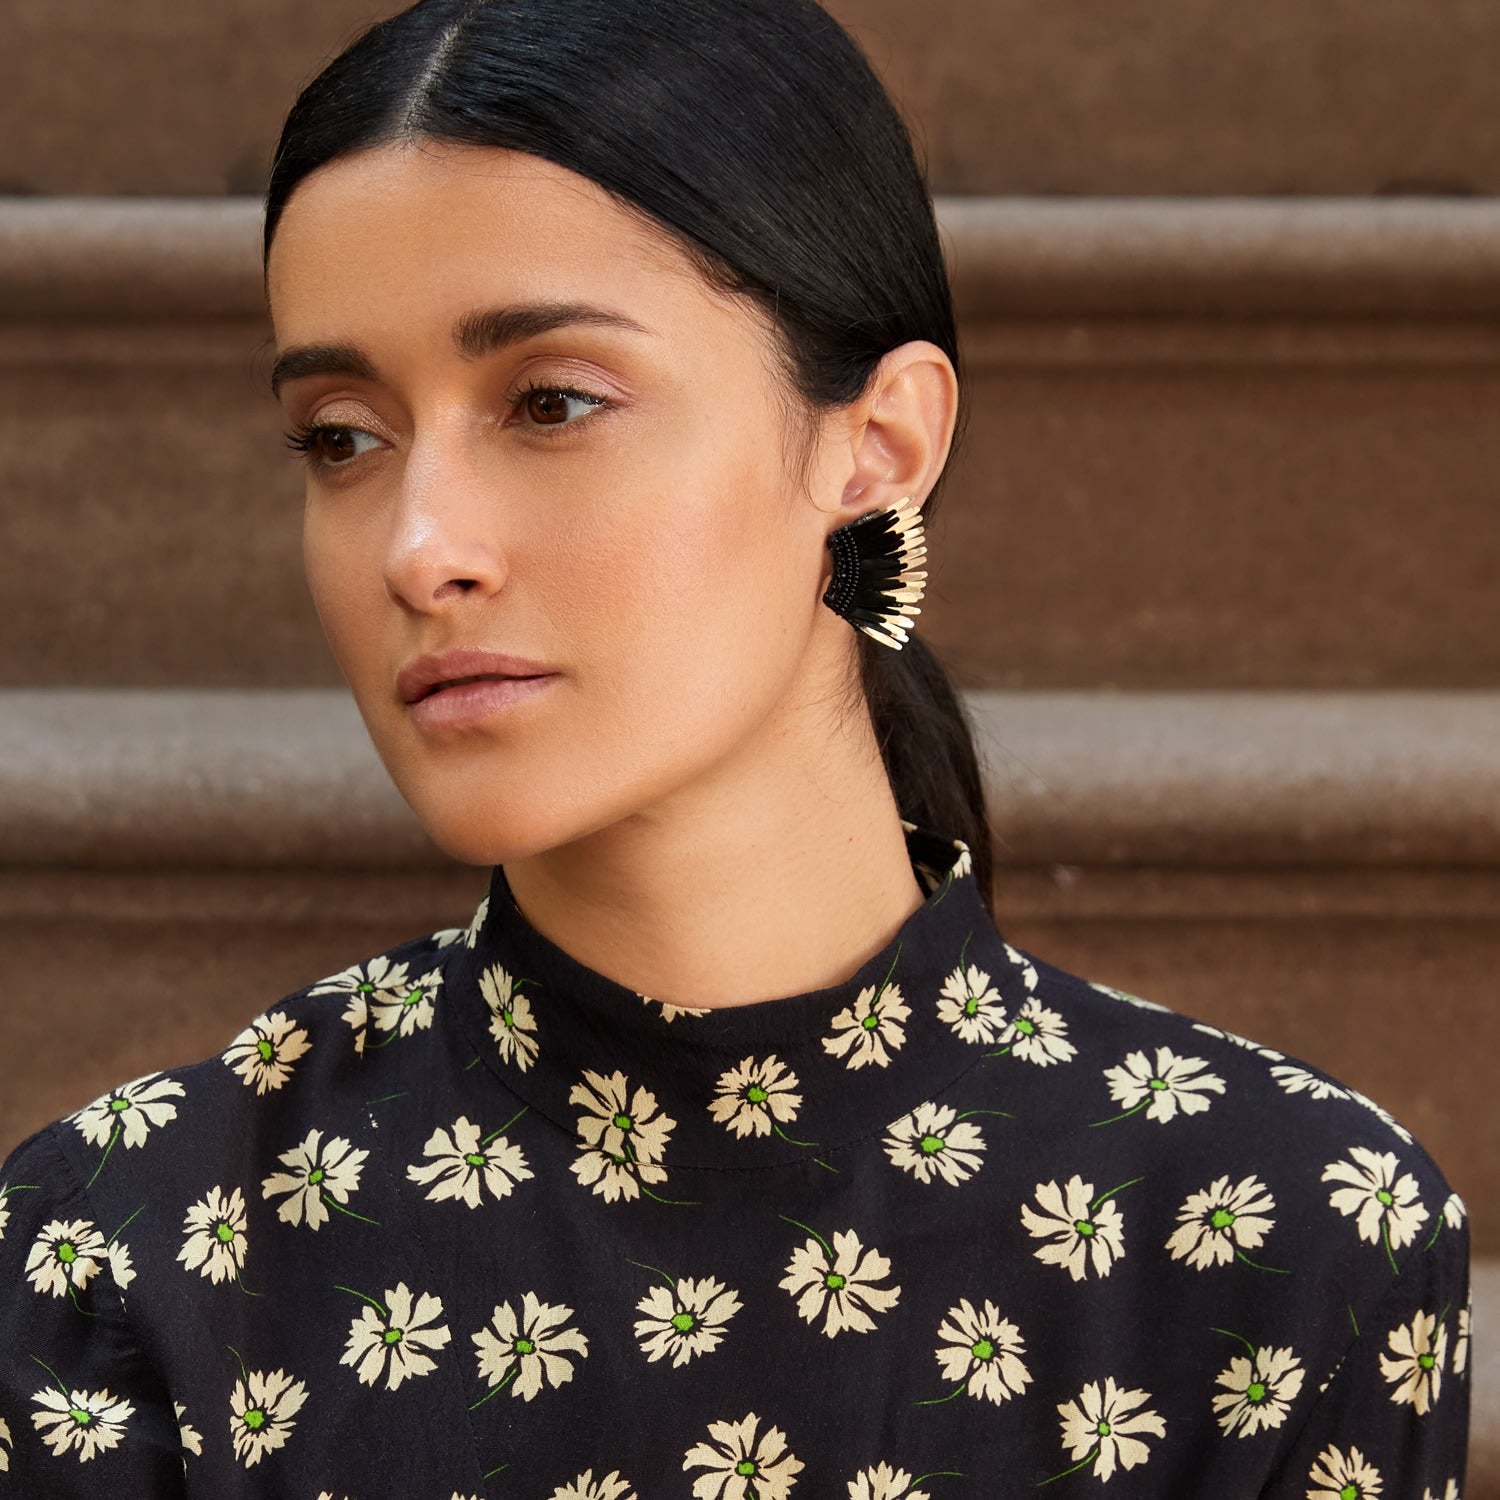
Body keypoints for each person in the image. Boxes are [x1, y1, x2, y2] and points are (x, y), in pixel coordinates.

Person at [0, 0, 1470, 1494]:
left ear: (877, 446)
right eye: (342, 436)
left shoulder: (1279, 1245)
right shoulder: (127, 1251)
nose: (419, 548)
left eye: (552, 402)